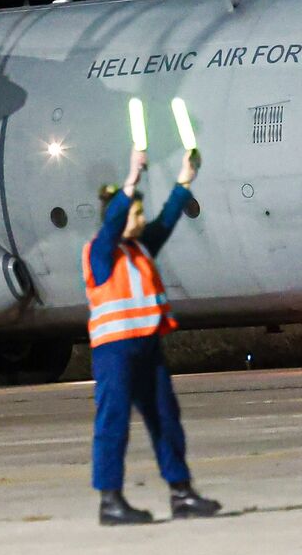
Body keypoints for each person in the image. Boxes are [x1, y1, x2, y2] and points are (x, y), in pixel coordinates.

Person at [83, 147, 221, 526]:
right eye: (136, 213)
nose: (143, 220)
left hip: (147, 348)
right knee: (113, 424)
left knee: (165, 419)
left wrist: (185, 180)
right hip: (115, 353)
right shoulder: (100, 252)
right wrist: (130, 180)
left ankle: (181, 493)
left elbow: (168, 219)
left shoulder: (141, 248)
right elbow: (112, 224)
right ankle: (110, 501)